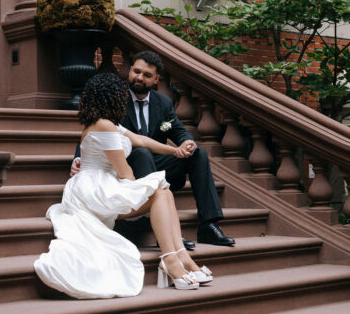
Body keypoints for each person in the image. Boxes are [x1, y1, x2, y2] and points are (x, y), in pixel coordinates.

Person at [34, 73, 213, 299]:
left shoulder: (108, 123)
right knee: (158, 192)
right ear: (112, 97)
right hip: (93, 189)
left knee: (162, 191)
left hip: (101, 182)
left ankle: (181, 257)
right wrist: (137, 194)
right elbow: (124, 172)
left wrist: (174, 150)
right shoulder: (103, 125)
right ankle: (169, 260)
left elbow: (141, 140)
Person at [71, 51, 235, 248]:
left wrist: (186, 144)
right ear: (130, 70)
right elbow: (93, 132)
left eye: (147, 75)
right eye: (136, 71)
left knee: (198, 153)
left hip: (155, 163)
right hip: (126, 165)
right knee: (141, 152)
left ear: (157, 79)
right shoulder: (114, 95)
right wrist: (78, 159)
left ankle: (209, 225)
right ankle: (164, 230)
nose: (139, 77)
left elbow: (178, 131)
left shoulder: (163, 102)